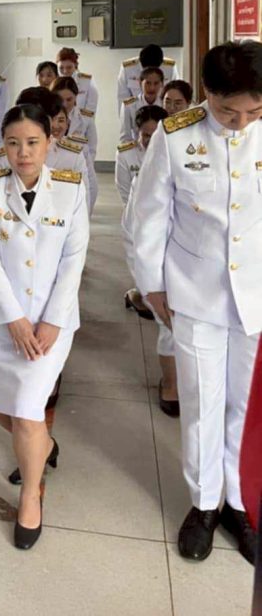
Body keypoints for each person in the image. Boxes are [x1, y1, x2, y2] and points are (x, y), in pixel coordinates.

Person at [132, 42, 262, 565]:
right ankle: (205, 504)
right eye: (229, 112)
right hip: (194, 291)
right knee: (203, 402)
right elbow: (148, 216)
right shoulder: (175, 135)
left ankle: (240, 504)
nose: (240, 123)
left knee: (246, 406)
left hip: (256, 295)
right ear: (208, 93)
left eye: (253, 112)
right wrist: (152, 286)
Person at [0, 104, 89, 550]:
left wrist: (52, 320)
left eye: (33, 142)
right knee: (6, 413)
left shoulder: (70, 190)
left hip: (49, 326)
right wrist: (14, 320)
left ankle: (30, 497)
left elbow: (74, 260)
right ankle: (46, 444)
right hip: (1, 322)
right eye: (13, 143)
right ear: (2, 146)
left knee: (24, 413)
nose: (23, 153)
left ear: (50, 143)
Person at [118, 106, 179, 417]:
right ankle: (171, 385)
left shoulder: (190, 165)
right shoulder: (141, 179)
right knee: (170, 326)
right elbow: (134, 236)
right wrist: (150, 285)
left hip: (192, 265)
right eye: (146, 135)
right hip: (160, 265)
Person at [53, 75, 98, 207]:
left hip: (79, 167)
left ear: (76, 97)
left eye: (69, 99)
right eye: (60, 99)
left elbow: (92, 149)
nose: (65, 104)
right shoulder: (44, 118)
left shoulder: (86, 118)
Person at [118, 66, 165, 143]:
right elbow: (125, 137)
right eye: (148, 83)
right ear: (140, 83)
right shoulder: (128, 105)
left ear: (162, 84)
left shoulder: (166, 104)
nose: (152, 88)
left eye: (156, 83)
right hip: (137, 147)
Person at [56, 47, 98, 113]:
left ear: (75, 65)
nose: (65, 71)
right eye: (61, 68)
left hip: (81, 119)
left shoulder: (87, 81)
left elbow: (90, 111)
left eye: (69, 67)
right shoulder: (53, 83)